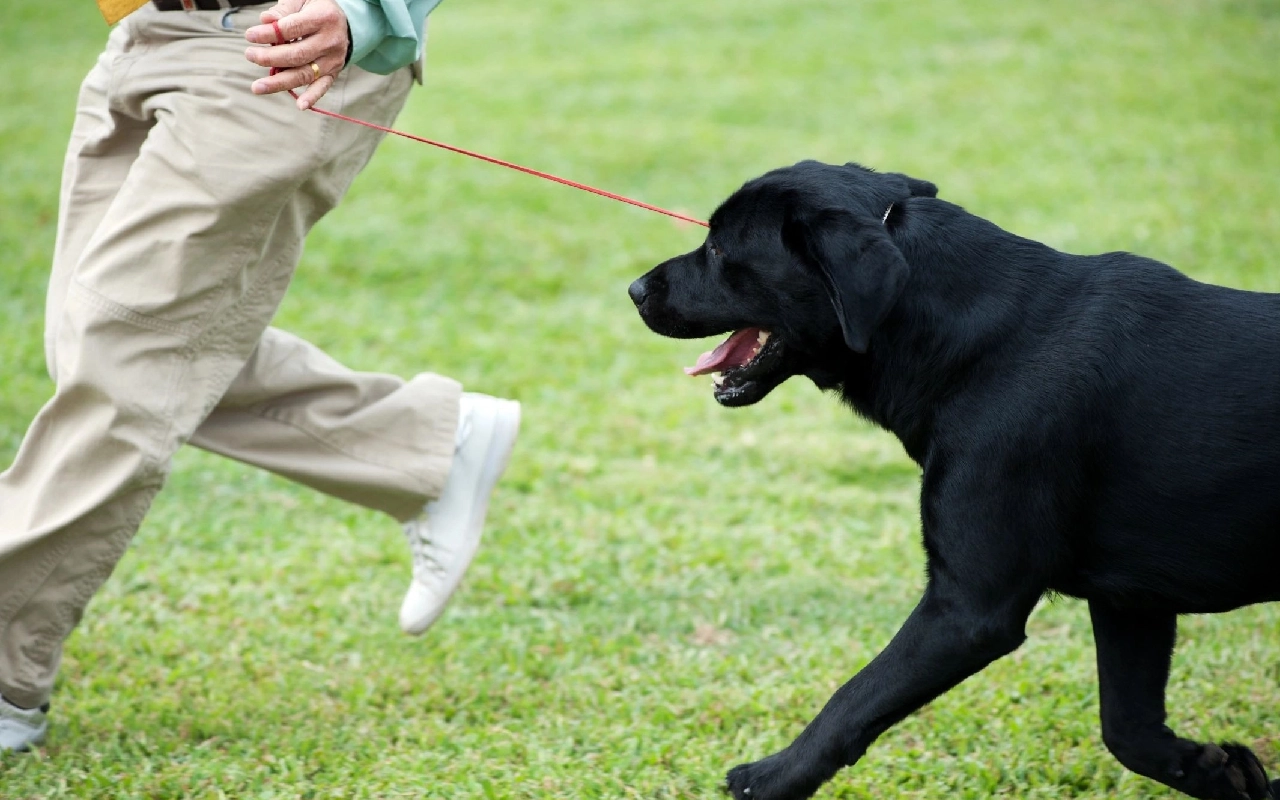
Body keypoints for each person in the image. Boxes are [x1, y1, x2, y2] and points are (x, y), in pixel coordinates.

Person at [0, 0, 520, 753]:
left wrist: (368, 11)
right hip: (145, 29)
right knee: (105, 350)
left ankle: (6, 678)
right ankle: (423, 445)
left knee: (124, 361)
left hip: (282, 41)